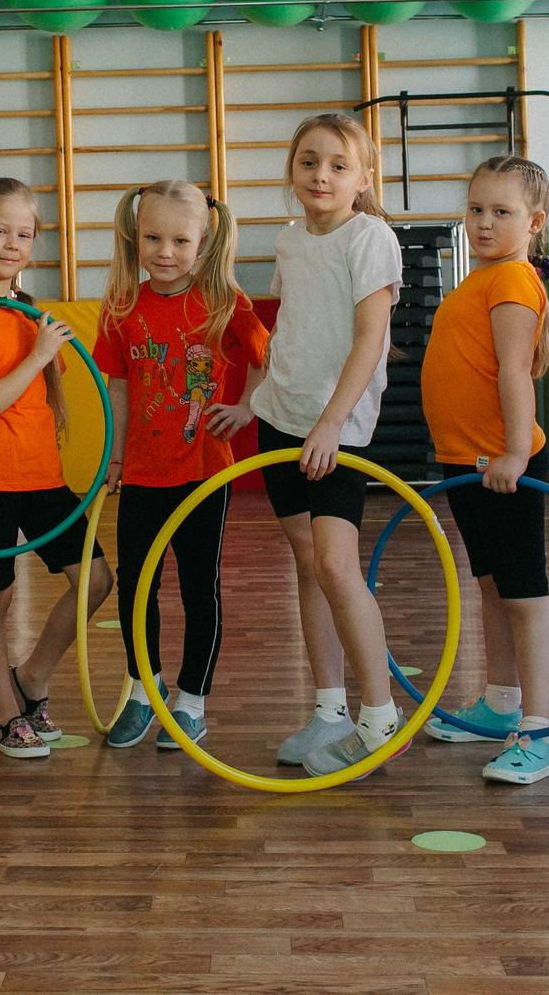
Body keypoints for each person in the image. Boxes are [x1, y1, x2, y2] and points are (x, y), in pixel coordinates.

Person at [237, 112, 407, 778]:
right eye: (308, 161)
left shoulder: (371, 239)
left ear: (362, 178)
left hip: (337, 429)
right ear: (291, 170)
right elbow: (287, 333)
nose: (321, 175)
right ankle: (329, 708)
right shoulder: (288, 240)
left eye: (338, 165)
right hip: (280, 418)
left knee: (336, 566)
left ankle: (377, 717)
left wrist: (333, 421)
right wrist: (248, 398)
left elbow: (371, 339)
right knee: (308, 565)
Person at [0, 178, 112, 759]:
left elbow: (48, 396)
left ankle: (32, 678)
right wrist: (38, 354)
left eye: (25, 233)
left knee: (96, 579)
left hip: (43, 477)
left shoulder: (28, 312)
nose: (13, 243)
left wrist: (41, 350)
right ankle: (3, 716)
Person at [94, 181, 268, 750]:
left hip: (202, 471)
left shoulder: (225, 302)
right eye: (152, 238)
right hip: (143, 471)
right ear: (134, 236)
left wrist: (246, 408)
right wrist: (115, 454)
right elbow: (118, 385)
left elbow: (265, 355)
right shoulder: (122, 305)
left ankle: (191, 702)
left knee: (199, 587)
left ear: (204, 241)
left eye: (179, 240)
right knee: (136, 589)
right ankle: (144, 692)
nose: (164, 251)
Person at [418, 157, 549, 783]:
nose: (482, 222)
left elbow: (514, 370)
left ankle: (540, 733)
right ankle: (501, 701)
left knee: (524, 596)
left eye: (500, 212)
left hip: (503, 462)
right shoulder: (479, 281)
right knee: (491, 588)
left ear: (533, 222)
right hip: (468, 461)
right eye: (476, 208)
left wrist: (512, 451)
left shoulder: (512, 281)